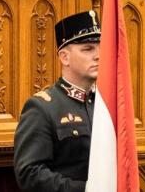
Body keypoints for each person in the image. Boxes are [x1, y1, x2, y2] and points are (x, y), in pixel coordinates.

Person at [13, 10, 100, 192]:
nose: (98, 55)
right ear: (64, 57)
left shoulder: (104, 104)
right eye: (88, 49)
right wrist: (88, 190)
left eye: (100, 47)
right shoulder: (42, 107)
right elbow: (30, 174)